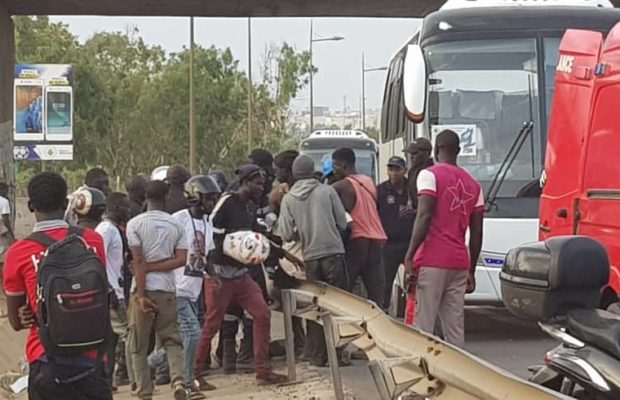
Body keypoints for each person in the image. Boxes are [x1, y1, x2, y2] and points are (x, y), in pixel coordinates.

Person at [3, 172, 112, 400]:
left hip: (46, 359)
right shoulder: (92, 241)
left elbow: (16, 322)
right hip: (93, 359)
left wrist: (30, 310)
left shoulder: (18, 253)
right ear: (65, 204)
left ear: (31, 206)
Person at [193, 164, 287, 387]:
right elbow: (210, 232)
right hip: (220, 276)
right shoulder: (227, 202)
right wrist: (213, 266)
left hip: (240, 275)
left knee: (262, 314)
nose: (261, 187)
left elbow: (257, 234)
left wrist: (281, 253)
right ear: (246, 182)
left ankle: (263, 371)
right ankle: (194, 374)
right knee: (212, 324)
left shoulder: (249, 206)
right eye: (257, 183)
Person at [404, 130, 484, 347]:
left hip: (431, 259)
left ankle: (424, 374)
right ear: (458, 151)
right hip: (459, 262)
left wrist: (409, 256)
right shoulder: (474, 185)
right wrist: (471, 270)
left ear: (437, 150)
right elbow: (477, 232)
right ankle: (456, 375)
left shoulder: (429, 175)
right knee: (454, 329)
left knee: (423, 327)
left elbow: (424, 215)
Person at [277, 155, 349, 367]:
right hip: (334, 254)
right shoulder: (327, 191)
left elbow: (287, 234)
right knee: (338, 306)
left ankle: (318, 356)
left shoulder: (288, 199)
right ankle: (338, 354)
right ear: (313, 170)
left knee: (316, 308)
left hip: (310, 258)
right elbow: (342, 223)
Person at [126, 180, 188, 400]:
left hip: (143, 290)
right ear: (166, 196)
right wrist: (156, 266)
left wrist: (141, 296)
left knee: (138, 344)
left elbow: (139, 261)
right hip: (168, 289)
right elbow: (181, 259)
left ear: (144, 196)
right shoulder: (177, 225)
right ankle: (179, 381)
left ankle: (144, 390)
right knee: (172, 340)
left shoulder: (134, 224)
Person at [172, 176, 221, 397]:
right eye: (209, 199)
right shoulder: (178, 220)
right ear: (195, 198)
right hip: (176, 288)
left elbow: (207, 254)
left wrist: (213, 274)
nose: (212, 203)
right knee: (193, 334)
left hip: (194, 289)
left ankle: (155, 366)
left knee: (172, 341)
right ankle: (188, 383)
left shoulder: (207, 223)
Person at [332, 147, 388, 306]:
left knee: (344, 291)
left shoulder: (342, 186)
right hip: (376, 242)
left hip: (357, 242)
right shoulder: (368, 182)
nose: (334, 170)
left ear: (343, 165)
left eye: (335, 165)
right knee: (376, 295)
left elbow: (337, 211)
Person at [96, 192, 134, 391]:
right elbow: (96, 258)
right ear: (116, 208)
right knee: (130, 335)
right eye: (126, 207)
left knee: (111, 340)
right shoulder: (106, 230)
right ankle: (136, 380)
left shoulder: (113, 230)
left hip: (115, 290)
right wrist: (108, 288)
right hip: (112, 293)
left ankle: (108, 381)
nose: (129, 211)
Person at [377, 156, 415, 310]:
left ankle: (411, 315)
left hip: (409, 243)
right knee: (385, 283)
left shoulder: (412, 188)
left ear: (404, 171)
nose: (393, 173)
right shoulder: (380, 190)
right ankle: (383, 312)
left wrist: (413, 211)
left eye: (397, 169)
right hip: (389, 244)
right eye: (390, 169)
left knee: (413, 281)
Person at [404, 138, 434, 204]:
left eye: (414, 153)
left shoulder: (432, 173)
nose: (411, 157)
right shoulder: (411, 172)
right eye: (410, 154)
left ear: (426, 153)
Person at [0, 183, 15, 283]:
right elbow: (6, 219)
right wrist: (11, 233)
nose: (7, 193)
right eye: (6, 190)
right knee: (3, 254)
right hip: (1, 230)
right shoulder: (4, 201)